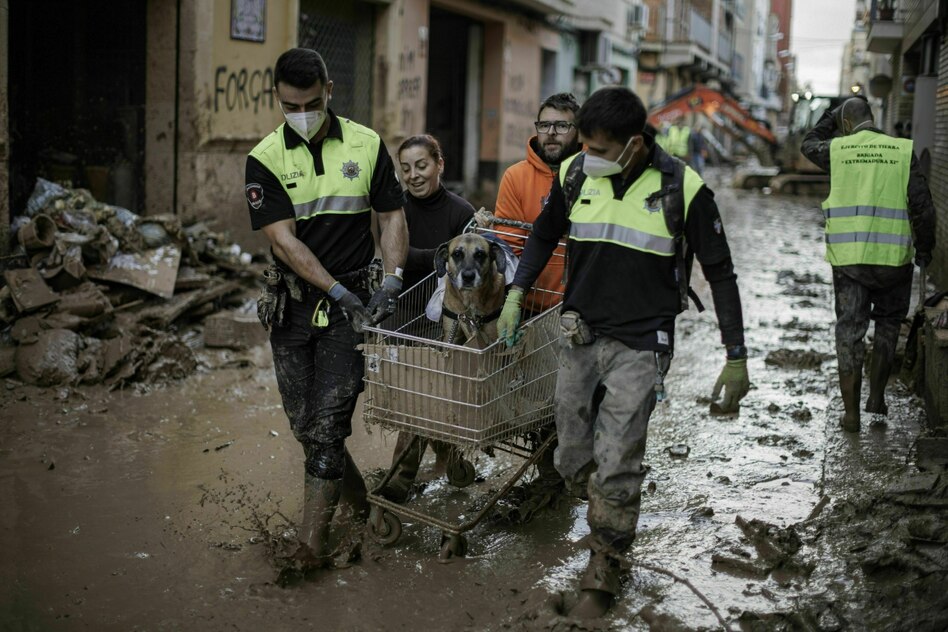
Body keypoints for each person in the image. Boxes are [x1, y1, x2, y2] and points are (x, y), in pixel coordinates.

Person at [496, 86, 749, 618]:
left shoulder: (686, 189)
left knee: (617, 459)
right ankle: (605, 509)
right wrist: (516, 294)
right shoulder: (577, 176)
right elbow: (543, 236)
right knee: (570, 451)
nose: (584, 156)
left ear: (634, 144)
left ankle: (605, 562)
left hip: (641, 347)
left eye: (597, 147)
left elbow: (721, 274)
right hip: (580, 336)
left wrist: (736, 355)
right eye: (581, 144)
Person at [245, 48, 408, 568]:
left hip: (353, 310)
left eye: (312, 102)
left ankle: (310, 545)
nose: (303, 112)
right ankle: (366, 508)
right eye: (292, 104)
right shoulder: (264, 158)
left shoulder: (366, 144)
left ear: (330, 91)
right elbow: (282, 242)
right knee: (304, 426)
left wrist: (394, 278)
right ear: (278, 98)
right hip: (294, 309)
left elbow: (392, 217)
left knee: (329, 423)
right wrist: (333, 288)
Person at [801, 97, 936, 432]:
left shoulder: (838, 150)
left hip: (850, 264)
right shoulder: (903, 152)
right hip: (894, 263)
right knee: (888, 329)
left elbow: (807, 143)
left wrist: (830, 116)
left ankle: (851, 414)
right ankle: (876, 399)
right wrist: (925, 250)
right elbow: (923, 207)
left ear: (846, 123)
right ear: (873, 118)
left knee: (850, 333)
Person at [487, 92, 582, 522]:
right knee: (541, 403)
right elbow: (509, 246)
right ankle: (552, 480)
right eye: (545, 125)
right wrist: (513, 297)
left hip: (575, 313)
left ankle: (565, 479)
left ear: (577, 130)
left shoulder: (589, 178)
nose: (551, 133)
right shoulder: (516, 177)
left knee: (571, 404)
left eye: (561, 125)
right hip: (531, 307)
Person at [379, 134, 476, 504]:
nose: (413, 175)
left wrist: (413, 255)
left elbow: (466, 268)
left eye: (421, 165)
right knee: (417, 397)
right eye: (405, 168)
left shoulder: (461, 212)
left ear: (439, 164)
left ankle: (398, 483)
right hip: (400, 316)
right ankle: (452, 459)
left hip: (444, 320)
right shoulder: (394, 209)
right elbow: (392, 255)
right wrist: (437, 255)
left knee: (421, 398)